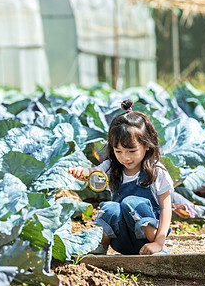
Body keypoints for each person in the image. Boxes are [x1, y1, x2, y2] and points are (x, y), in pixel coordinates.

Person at [68, 99, 173, 255]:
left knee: (130, 202)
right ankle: (101, 247)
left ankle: (158, 249)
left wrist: (159, 241)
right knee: (110, 207)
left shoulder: (156, 171)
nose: (125, 158)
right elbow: (93, 172)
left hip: (148, 239)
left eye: (131, 151)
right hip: (122, 240)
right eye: (118, 151)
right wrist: (82, 173)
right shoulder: (112, 168)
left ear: (146, 146)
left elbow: (166, 208)